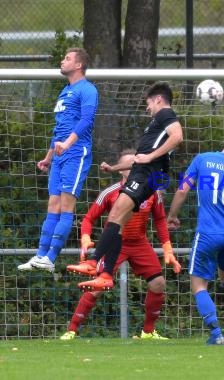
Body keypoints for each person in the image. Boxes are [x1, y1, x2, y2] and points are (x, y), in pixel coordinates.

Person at [61, 149, 181, 340]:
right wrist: (85, 238)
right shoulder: (110, 193)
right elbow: (88, 218)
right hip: (115, 243)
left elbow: (159, 220)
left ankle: (148, 332)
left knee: (158, 283)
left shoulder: (151, 191)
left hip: (139, 243)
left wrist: (167, 248)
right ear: (121, 171)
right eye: (130, 165)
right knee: (97, 286)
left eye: (137, 164)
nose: (134, 168)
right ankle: (72, 330)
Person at [76, 82, 183, 291]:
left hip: (147, 174)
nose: (147, 108)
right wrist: (115, 168)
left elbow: (178, 136)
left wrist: (150, 157)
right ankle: (105, 274)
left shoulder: (165, 114)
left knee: (115, 213)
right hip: (145, 173)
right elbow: (137, 159)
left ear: (158, 99)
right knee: (120, 222)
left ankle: (93, 262)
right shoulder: (156, 124)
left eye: (148, 103)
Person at [167, 132, 224, 345]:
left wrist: (172, 215)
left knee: (199, 284)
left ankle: (216, 334)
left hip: (207, 233)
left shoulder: (202, 159)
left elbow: (182, 190)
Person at [18, 47, 99, 272]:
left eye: (67, 58)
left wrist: (68, 144)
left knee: (65, 205)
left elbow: (86, 120)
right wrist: (48, 157)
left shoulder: (87, 89)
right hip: (60, 156)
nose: (63, 61)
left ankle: (51, 258)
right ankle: (40, 256)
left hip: (76, 153)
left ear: (78, 65)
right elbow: (59, 129)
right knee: (52, 204)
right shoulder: (64, 92)